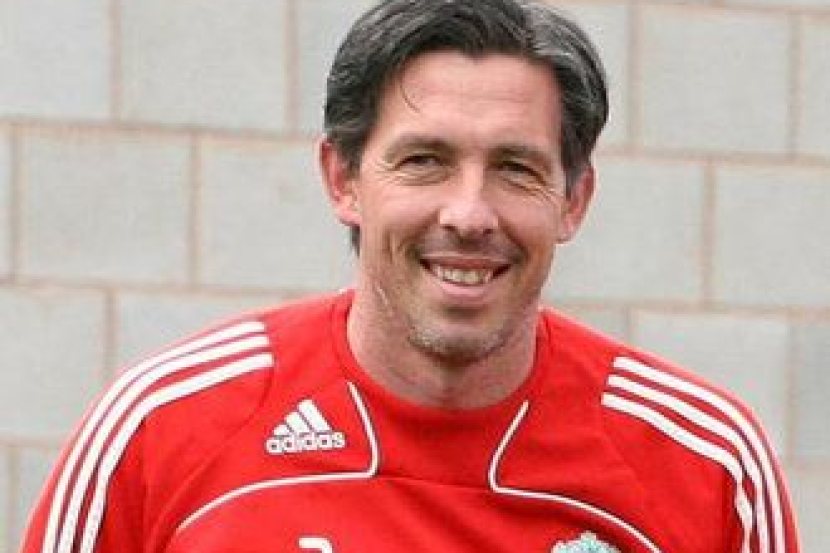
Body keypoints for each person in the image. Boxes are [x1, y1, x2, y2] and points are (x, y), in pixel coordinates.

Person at [20, 0, 799, 551]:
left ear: (574, 199)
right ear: (343, 179)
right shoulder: (159, 429)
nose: (469, 213)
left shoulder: (706, 464)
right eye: (424, 160)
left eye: (516, 168)